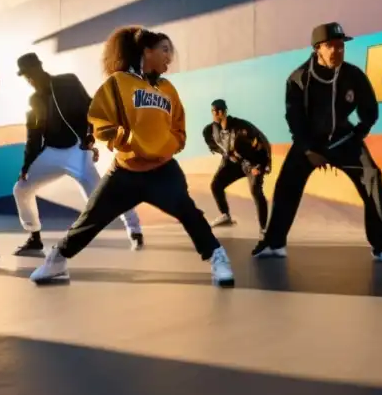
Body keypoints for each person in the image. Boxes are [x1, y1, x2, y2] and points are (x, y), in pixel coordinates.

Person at [29, 26, 234, 287]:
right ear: (146, 51)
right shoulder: (118, 83)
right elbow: (101, 122)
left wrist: (166, 145)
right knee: (91, 219)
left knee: (189, 212)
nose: (169, 57)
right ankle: (57, 260)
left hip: (163, 170)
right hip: (125, 173)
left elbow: (179, 129)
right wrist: (128, 141)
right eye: (165, 50)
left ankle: (217, 257)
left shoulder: (168, 89)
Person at [251, 23, 382, 263]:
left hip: (344, 139)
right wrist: (309, 149)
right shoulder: (299, 79)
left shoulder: (353, 75)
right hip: (308, 141)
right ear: (317, 49)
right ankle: (274, 243)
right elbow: (295, 119)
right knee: (286, 184)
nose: (337, 51)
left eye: (340, 46)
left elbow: (369, 112)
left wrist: (356, 135)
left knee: (372, 176)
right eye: (330, 46)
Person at [13, 52, 142, 255]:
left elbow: (90, 108)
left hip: (76, 150)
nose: (29, 79)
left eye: (30, 73)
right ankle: (34, 237)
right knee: (21, 189)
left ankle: (134, 228)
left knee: (100, 196)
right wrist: (26, 166)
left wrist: (90, 138)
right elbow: (33, 136)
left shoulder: (67, 82)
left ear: (39, 68)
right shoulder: (34, 100)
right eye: (25, 76)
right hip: (51, 153)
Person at [202, 99, 271, 233]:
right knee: (216, 185)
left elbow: (263, 141)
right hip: (234, 164)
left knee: (255, 191)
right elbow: (216, 146)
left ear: (225, 111)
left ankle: (264, 229)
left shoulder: (241, 127)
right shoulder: (210, 131)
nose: (218, 113)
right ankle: (226, 216)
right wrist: (227, 155)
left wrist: (264, 165)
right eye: (215, 110)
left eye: (220, 110)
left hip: (252, 163)